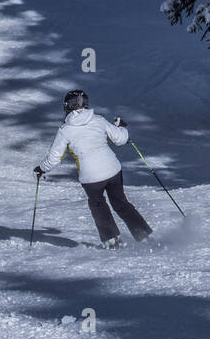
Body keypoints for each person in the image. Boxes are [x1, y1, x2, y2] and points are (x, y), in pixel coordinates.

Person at [34, 89, 152, 248]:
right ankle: (144, 235)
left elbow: (55, 158)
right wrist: (122, 127)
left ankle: (111, 240)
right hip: (113, 170)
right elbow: (120, 139)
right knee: (120, 202)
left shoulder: (65, 130)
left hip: (91, 177)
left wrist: (41, 169)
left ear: (67, 106)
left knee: (97, 204)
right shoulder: (98, 120)